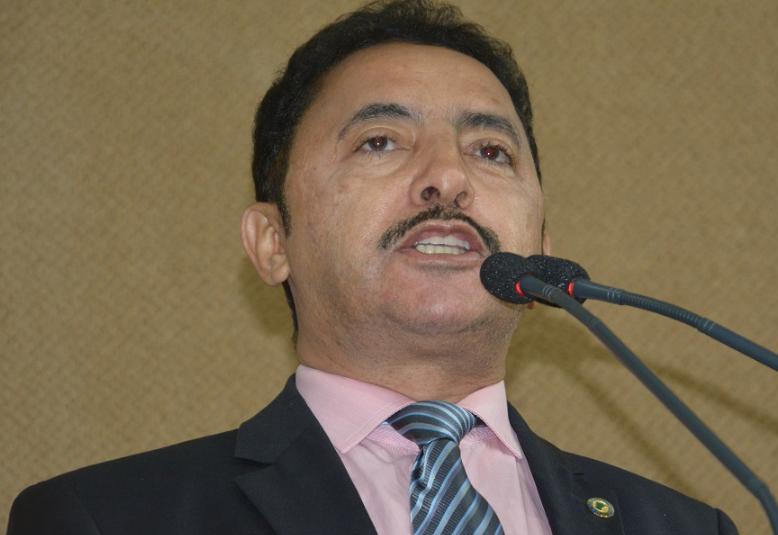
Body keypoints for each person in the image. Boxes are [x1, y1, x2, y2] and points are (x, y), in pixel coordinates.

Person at [7, 1, 737, 534]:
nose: (448, 178)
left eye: (490, 151)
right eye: (381, 141)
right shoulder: (107, 518)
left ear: (541, 248)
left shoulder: (682, 526)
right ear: (272, 241)